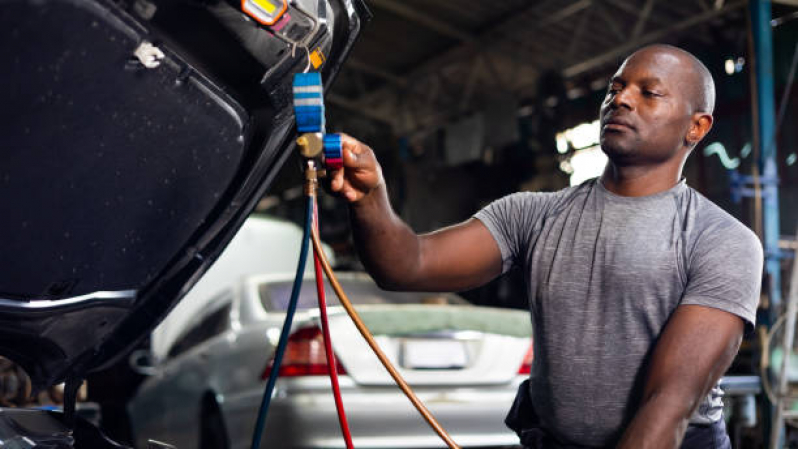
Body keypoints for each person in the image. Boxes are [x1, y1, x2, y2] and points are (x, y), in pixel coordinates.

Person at [328, 44, 763, 448]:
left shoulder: (720, 240)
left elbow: (668, 406)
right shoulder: (531, 214)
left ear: (696, 127)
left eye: (649, 93)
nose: (621, 100)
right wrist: (371, 197)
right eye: (616, 88)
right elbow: (407, 265)